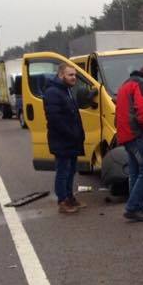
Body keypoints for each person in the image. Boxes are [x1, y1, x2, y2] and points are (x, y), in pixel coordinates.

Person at [115, 63, 143, 222]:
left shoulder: (127, 84)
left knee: (135, 172)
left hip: (127, 135)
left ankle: (138, 205)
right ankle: (133, 207)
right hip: (139, 135)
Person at [44, 63, 87, 214]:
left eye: (74, 75)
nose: (74, 78)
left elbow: (73, 115)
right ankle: (62, 201)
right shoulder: (53, 93)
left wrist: (79, 134)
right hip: (62, 140)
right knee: (63, 172)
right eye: (70, 75)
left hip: (71, 140)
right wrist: (71, 133)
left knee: (71, 171)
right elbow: (55, 119)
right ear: (61, 75)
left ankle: (69, 197)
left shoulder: (66, 90)